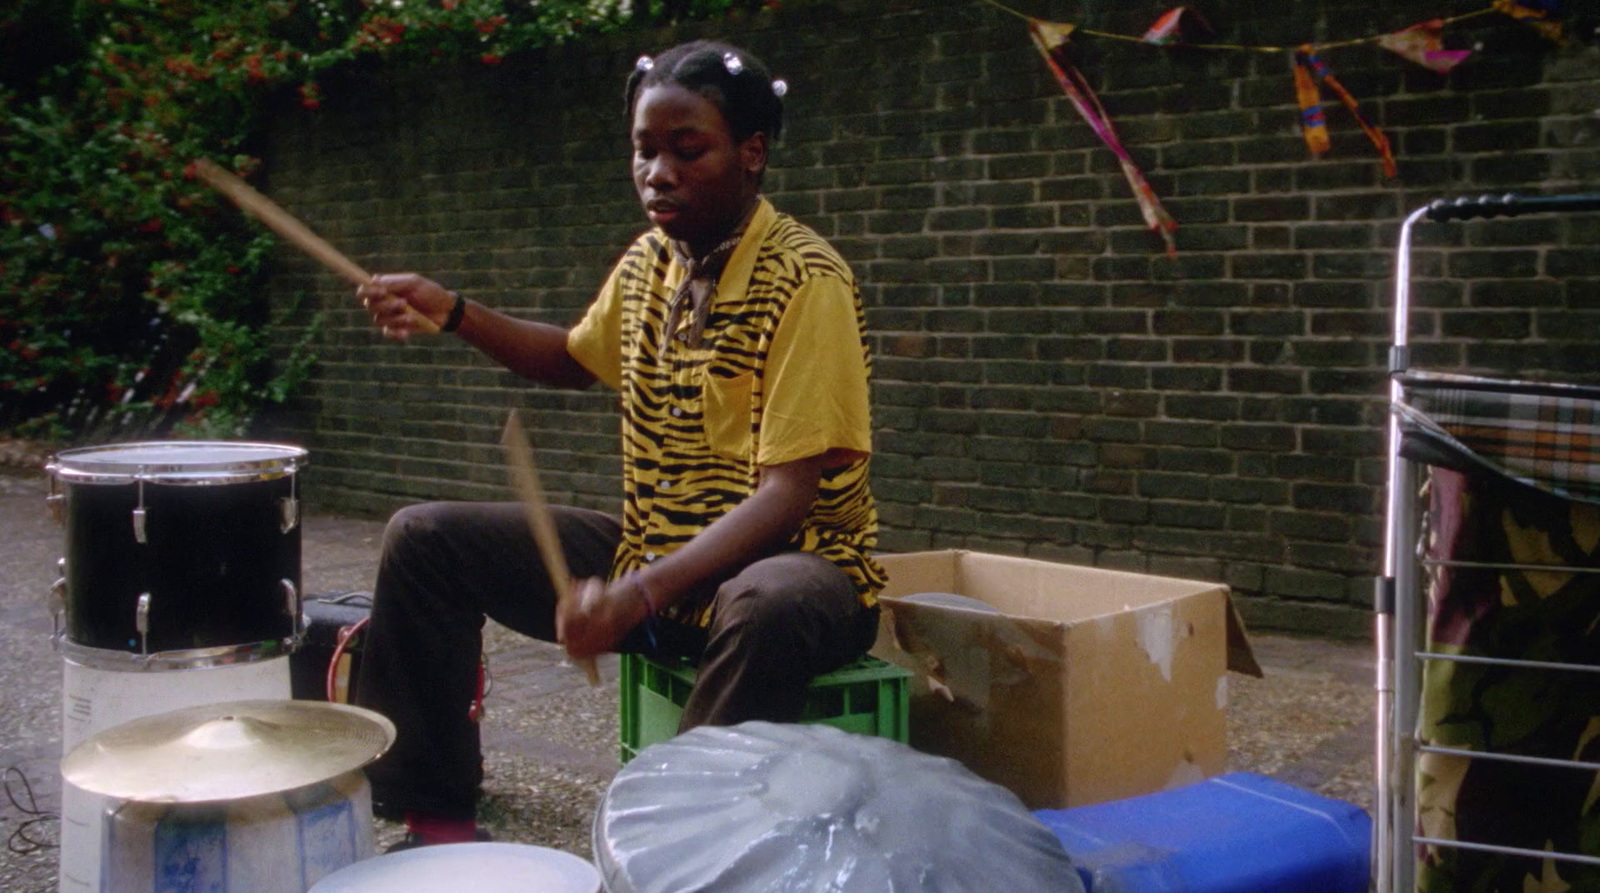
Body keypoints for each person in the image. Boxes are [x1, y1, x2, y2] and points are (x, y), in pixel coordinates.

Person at [352, 39, 886, 849]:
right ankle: (436, 818)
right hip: (658, 564)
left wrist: (635, 596)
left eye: (686, 149)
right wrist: (453, 312)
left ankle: (675, 846)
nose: (657, 172)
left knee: (768, 597)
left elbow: (789, 494)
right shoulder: (649, 264)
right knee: (424, 540)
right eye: (643, 150)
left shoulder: (807, 280)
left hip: (801, 575)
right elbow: (573, 357)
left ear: (752, 154)